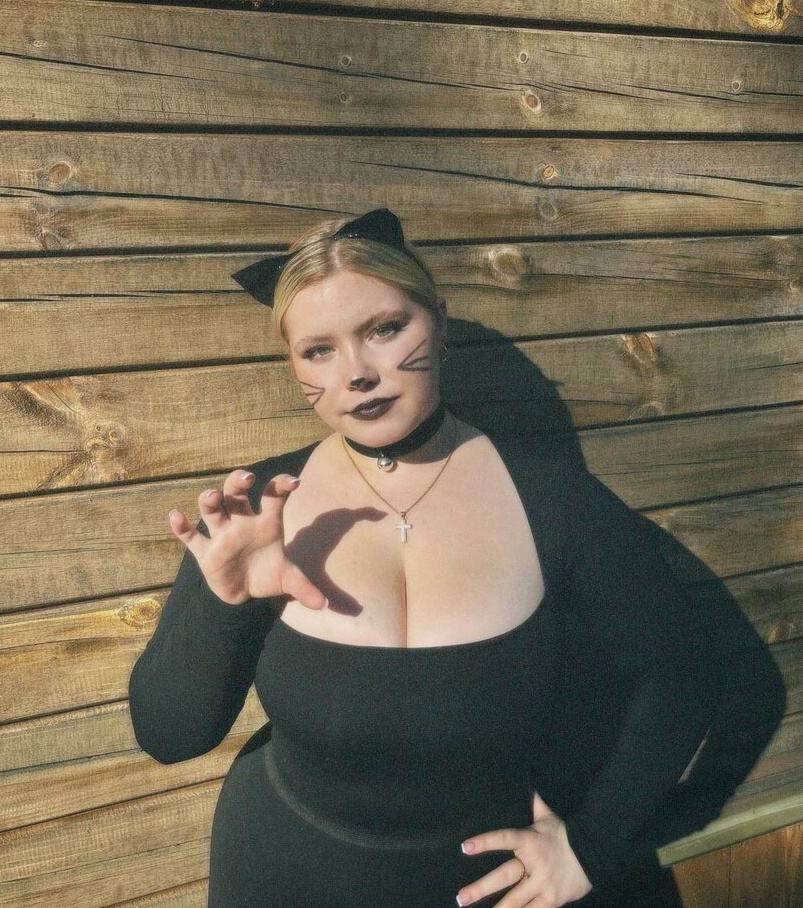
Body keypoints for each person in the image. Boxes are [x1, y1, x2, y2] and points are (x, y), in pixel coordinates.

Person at [129, 208, 782, 908]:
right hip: (282, 871)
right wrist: (224, 606)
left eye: (384, 329)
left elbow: (679, 673)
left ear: (437, 323)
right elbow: (169, 736)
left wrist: (593, 845)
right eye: (318, 350)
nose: (357, 374)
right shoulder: (261, 509)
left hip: (486, 886)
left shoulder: (550, 498)